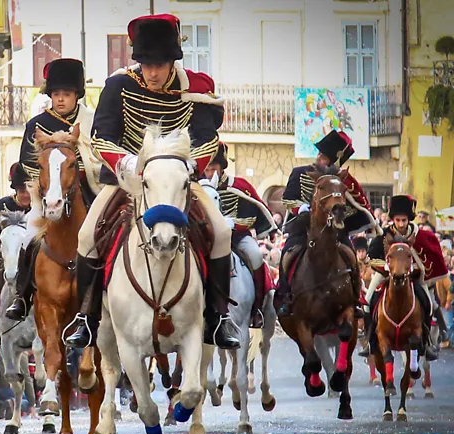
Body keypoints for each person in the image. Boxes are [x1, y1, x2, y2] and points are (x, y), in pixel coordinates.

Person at [65, 13, 240, 350]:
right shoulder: (118, 85)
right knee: (87, 234)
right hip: (126, 178)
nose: (153, 72)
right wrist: (126, 162)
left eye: (160, 64)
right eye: (147, 64)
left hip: (179, 178)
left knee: (221, 230)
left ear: (173, 61)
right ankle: (87, 317)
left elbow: (207, 139)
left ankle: (218, 318)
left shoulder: (197, 89)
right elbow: (101, 137)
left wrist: (190, 166)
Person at [5, 57, 92, 322]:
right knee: (28, 237)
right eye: (56, 94)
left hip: (87, 191)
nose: (61, 99)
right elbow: (28, 164)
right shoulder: (36, 125)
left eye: (66, 94)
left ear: (76, 95)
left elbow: (98, 157)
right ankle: (22, 296)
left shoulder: (91, 121)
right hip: (45, 198)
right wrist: (47, 188)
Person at [276, 130, 379, 317]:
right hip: (303, 227)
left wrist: (338, 216)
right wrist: (302, 209)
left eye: (324, 158)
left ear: (333, 163)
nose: (319, 159)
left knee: (350, 255)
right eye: (319, 155)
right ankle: (285, 295)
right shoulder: (299, 173)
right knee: (287, 254)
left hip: (333, 231)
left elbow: (353, 208)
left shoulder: (342, 182)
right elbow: (288, 199)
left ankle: (355, 299)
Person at [360, 195, 448, 360]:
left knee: (429, 304)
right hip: (385, 274)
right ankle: (370, 341)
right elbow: (372, 257)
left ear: (409, 219)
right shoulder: (384, 235)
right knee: (368, 299)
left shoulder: (421, 236)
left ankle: (426, 342)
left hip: (413, 276)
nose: (401, 224)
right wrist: (390, 268)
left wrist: (410, 269)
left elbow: (428, 261)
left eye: (404, 220)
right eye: (398, 220)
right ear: (393, 219)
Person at [203, 142, 277, 328]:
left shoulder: (240, 186)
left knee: (256, 256)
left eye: (214, 168)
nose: (210, 173)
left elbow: (254, 213)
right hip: (205, 239)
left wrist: (232, 224)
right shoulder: (197, 187)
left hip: (237, 238)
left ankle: (256, 308)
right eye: (207, 169)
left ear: (222, 167)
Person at [0, 164, 32, 349]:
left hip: (34, 259)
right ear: (16, 189)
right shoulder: (4, 204)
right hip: (6, 257)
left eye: (29, 189)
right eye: (22, 190)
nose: (26, 194)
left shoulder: (41, 205)